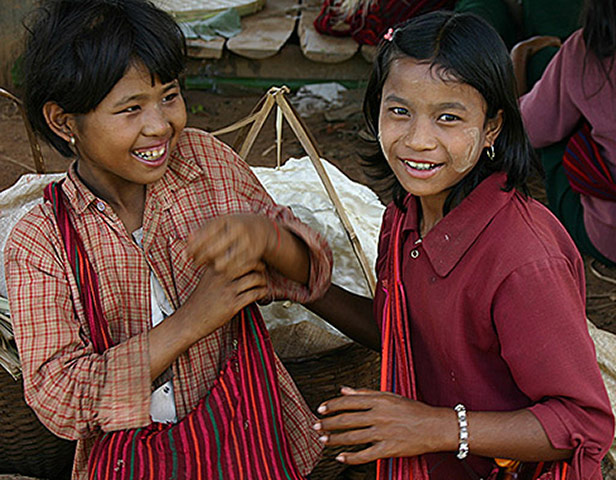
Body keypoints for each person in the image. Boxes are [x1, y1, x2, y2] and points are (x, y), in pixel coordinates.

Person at [4, 0, 332, 478]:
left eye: (170, 95)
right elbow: (61, 398)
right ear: (63, 122)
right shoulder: (42, 239)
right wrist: (192, 321)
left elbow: (312, 274)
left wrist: (270, 239)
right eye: (131, 108)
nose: (160, 125)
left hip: (250, 440)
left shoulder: (207, 165)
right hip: (134, 463)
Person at [305, 11, 614, 480]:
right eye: (399, 110)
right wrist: (305, 288)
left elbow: (583, 423)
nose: (417, 140)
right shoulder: (407, 214)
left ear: (492, 128)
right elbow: (405, 335)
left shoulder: (523, 262)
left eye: (448, 117)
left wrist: (439, 427)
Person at [517, 0, 616, 279]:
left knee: (557, 124)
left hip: (606, 237)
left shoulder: (584, 52)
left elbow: (531, 129)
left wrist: (519, 58)